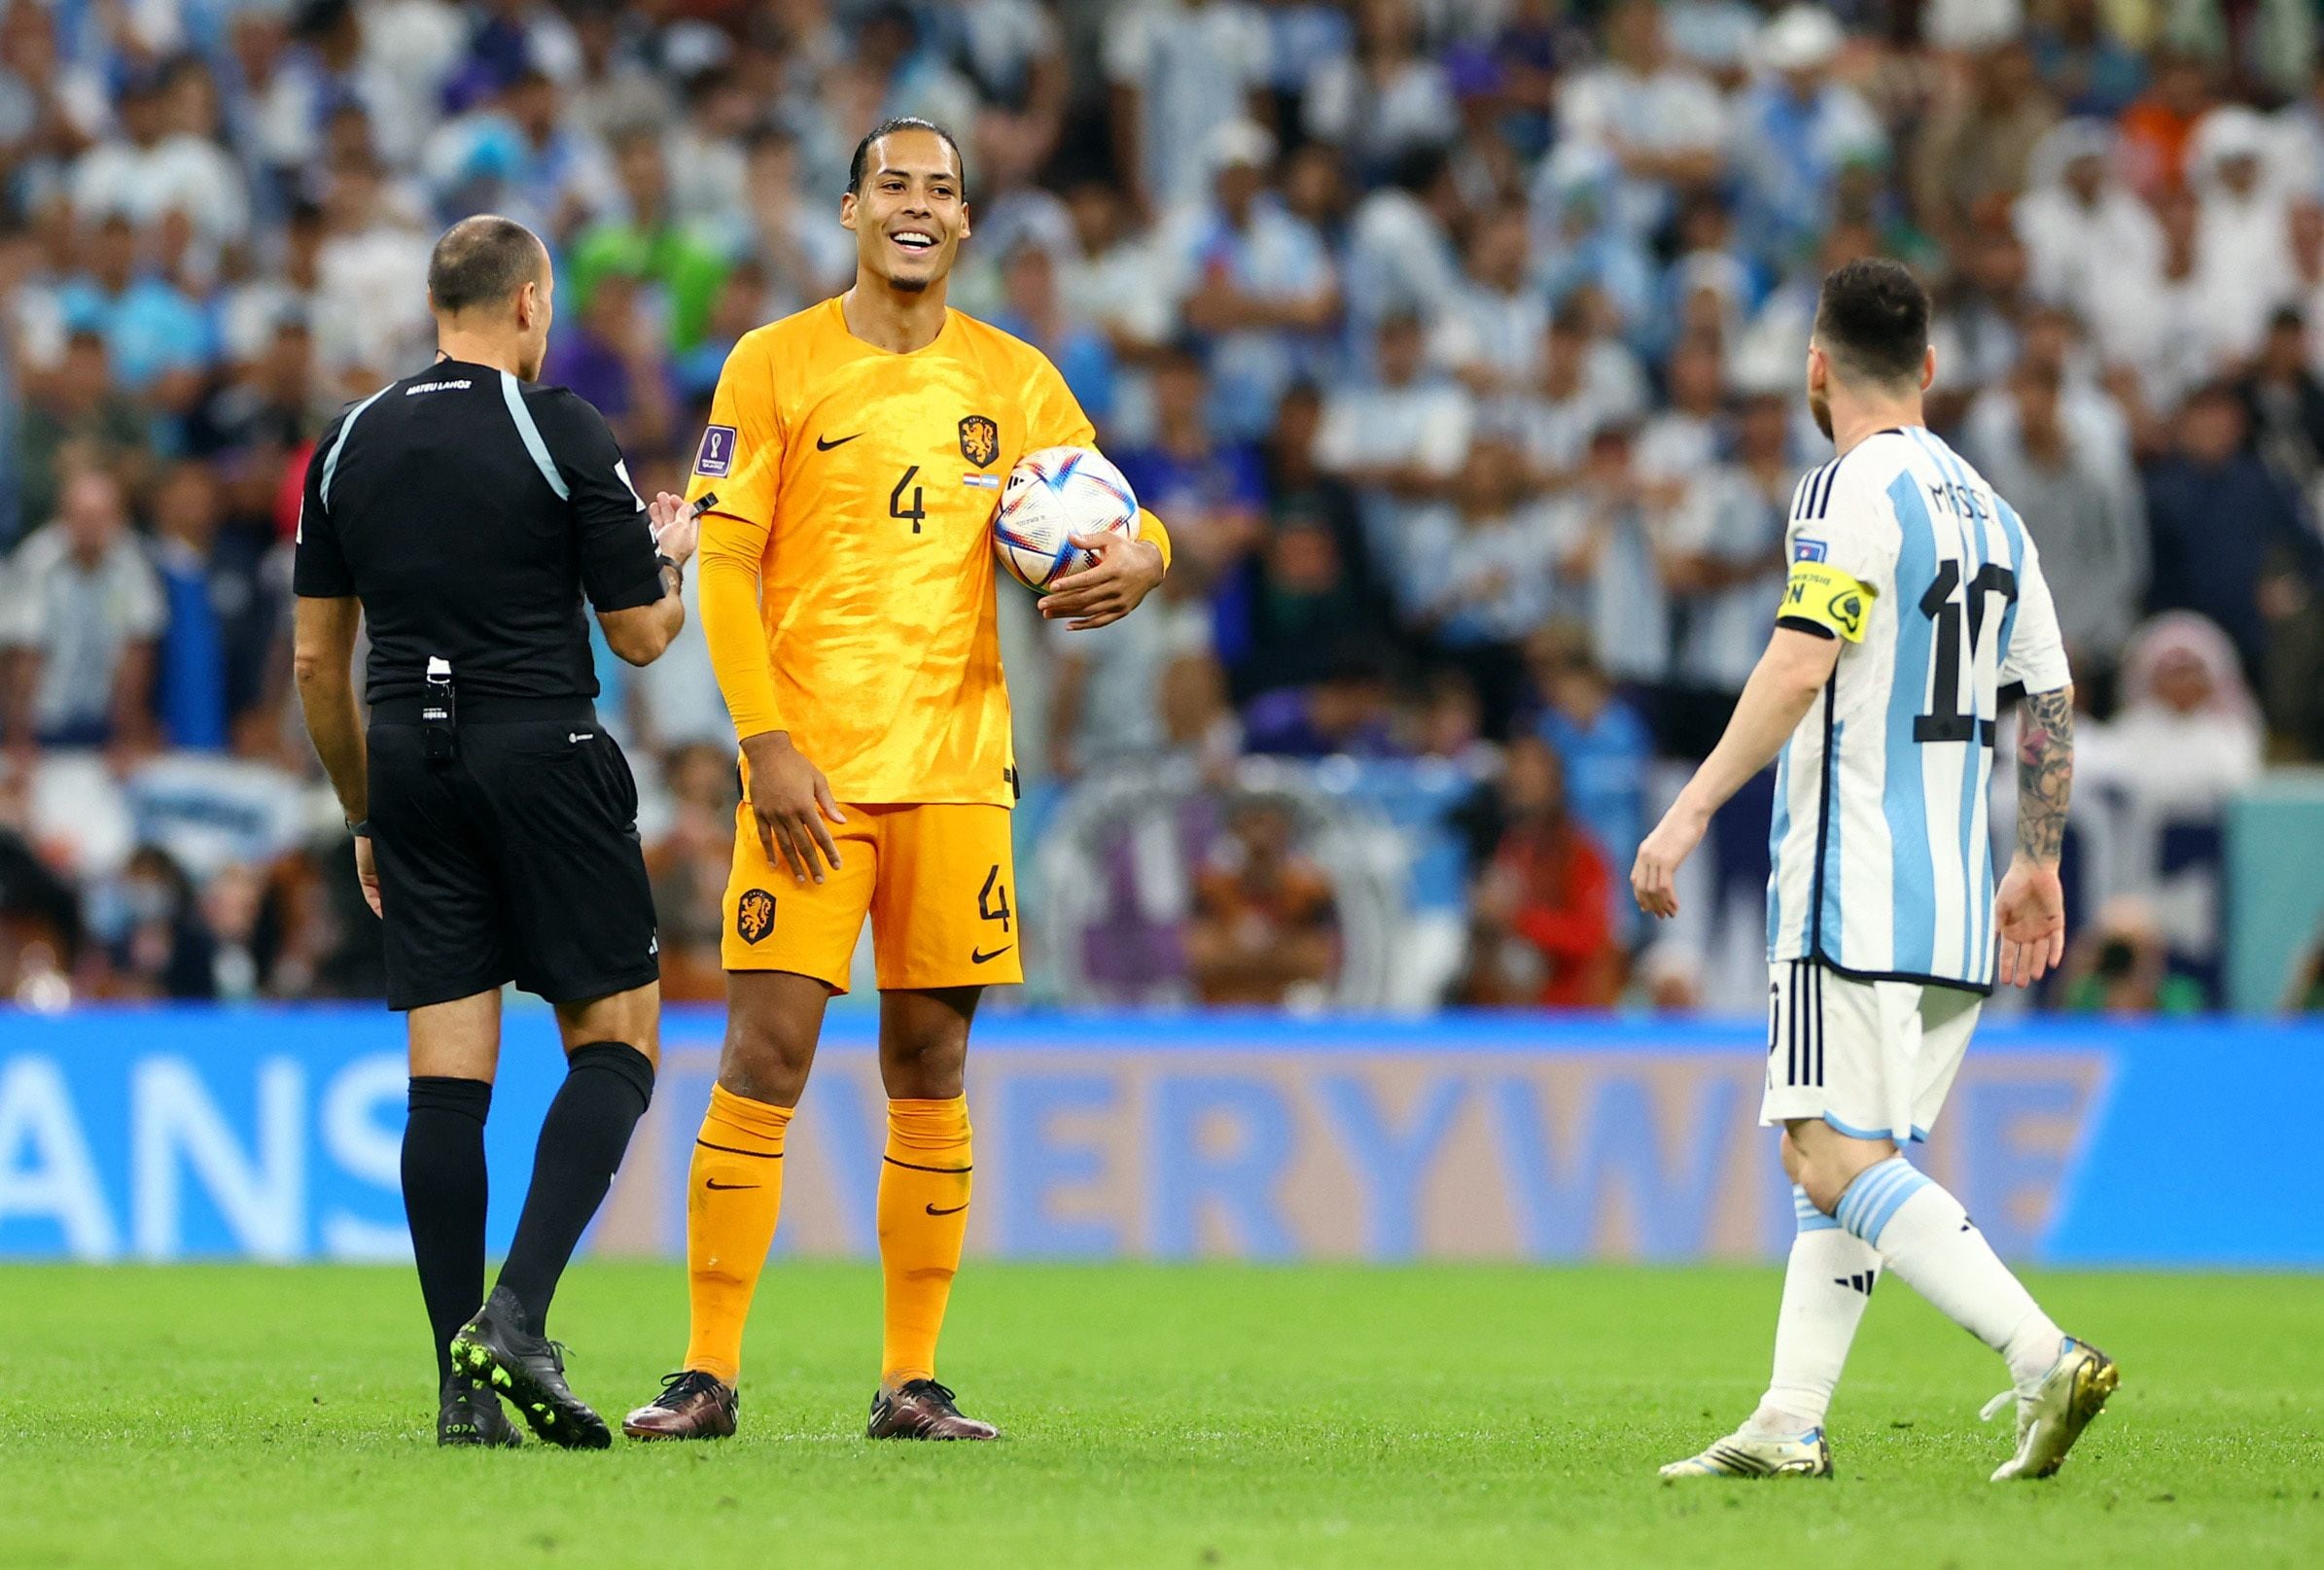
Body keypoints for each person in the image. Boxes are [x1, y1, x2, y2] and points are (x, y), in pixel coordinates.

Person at [622, 119, 1173, 1445]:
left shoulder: (1015, 376)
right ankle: (705, 1370)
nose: (916, 206)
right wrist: (763, 742)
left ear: (964, 222)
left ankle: (910, 1378)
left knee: (930, 1064)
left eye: (940, 189)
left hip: (956, 772)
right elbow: (731, 565)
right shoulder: (772, 363)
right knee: (763, 1053)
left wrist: (1145, 557)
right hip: (806, 772)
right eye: (894, 186)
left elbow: (1120, 507)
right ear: (851, 207)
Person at [1631, 259, 2116, 1482]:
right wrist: (2036, 861)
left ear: (1813, 362)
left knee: (1826, 1148)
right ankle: (1790, 1417)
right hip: (1957, 904)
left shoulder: (1846, 488)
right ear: (1930, 368)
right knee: (1835, 1163)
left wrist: (1686, 813)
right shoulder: (1989, 507)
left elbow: (1801, 662)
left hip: (1847, 886)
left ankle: (2037, 1354)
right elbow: (2048, 693)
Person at [291, 215, 698, 1449]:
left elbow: (317, 659)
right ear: (528, 303)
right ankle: (513, 1318)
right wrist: (670, 557)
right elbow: (636, 635)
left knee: (445, 1081)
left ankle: (460, 1386)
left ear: (436, 305)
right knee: (617, 1037)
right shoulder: (559, 424)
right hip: (540, 746)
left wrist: (365, 804)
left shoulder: (347, 442)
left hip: (406, 758)